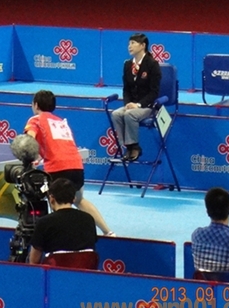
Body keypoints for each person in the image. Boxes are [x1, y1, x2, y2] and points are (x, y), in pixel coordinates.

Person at [25, 90, 114, 236]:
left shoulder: (35, 119)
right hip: (76, 166)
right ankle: (108, 231)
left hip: (57, 168)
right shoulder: (60, 122)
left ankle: (62, 236)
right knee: (79, 200)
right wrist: (39, 158)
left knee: (56, 203)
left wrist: (28, 158)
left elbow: (29, 140)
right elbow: (57, 145)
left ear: (35, 104)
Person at [111, 33, 161, 161]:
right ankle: (127, 147)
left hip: (148, 106)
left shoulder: (152, 64)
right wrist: (127, 104)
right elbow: (126, 89)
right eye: (129, 43)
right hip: (131, 105)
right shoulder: (127, 65)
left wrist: (138, 105)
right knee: (116, 114)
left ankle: (134, 147)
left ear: (143, 45)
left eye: (133, 43)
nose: (129, 46)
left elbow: (154, 92)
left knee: (129, 115)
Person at [28, 178, 98, 264]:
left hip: (54, 272)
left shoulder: (44, 222)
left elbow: (34, 261)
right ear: (74, 199)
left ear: (51, 198)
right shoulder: (89, 219)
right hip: (85, 271)